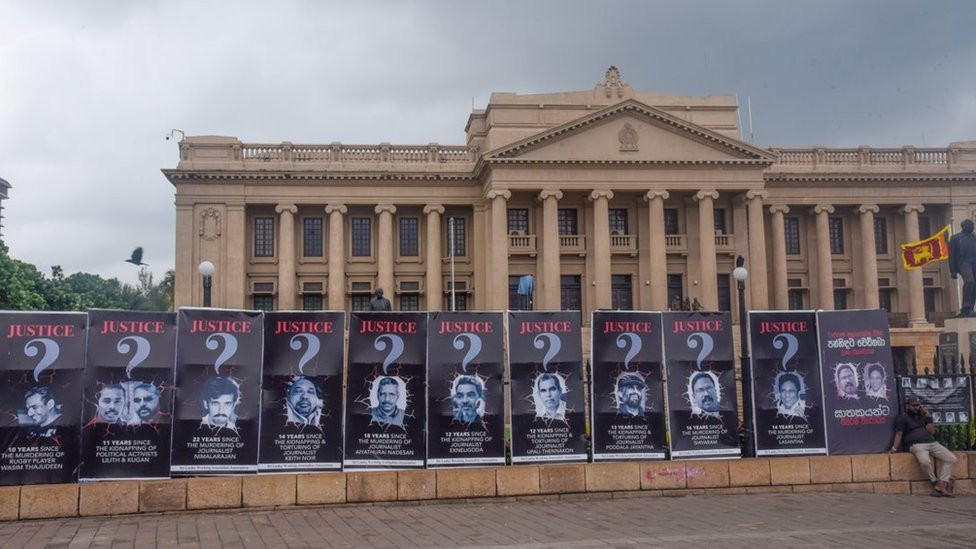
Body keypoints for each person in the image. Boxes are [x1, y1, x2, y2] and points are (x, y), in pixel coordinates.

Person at [889, 396, 957, 497]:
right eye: (914, 406)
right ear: (908, 406)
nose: (916, 408)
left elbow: (932, 431)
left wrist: (928, 416)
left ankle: (941, 484)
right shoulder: (903, 417)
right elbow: (899, 434)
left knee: (951, 459)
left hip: (932, 443)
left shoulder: (923, 416)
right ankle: (935, 482)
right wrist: (893, 449)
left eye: (918, 406)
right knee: (925, 462)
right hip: (917, 445)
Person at [949, 218, 976, 317]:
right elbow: (951, 255)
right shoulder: (956, 238)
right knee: (970, 281)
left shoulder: (974, 237)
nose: (972, 227)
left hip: (974, 263)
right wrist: (953, 271)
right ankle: (966, 306)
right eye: (970, 225)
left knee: (974, 285)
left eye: (972, 225)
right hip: (963, 263)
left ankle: (970, 309)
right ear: (963, 226)